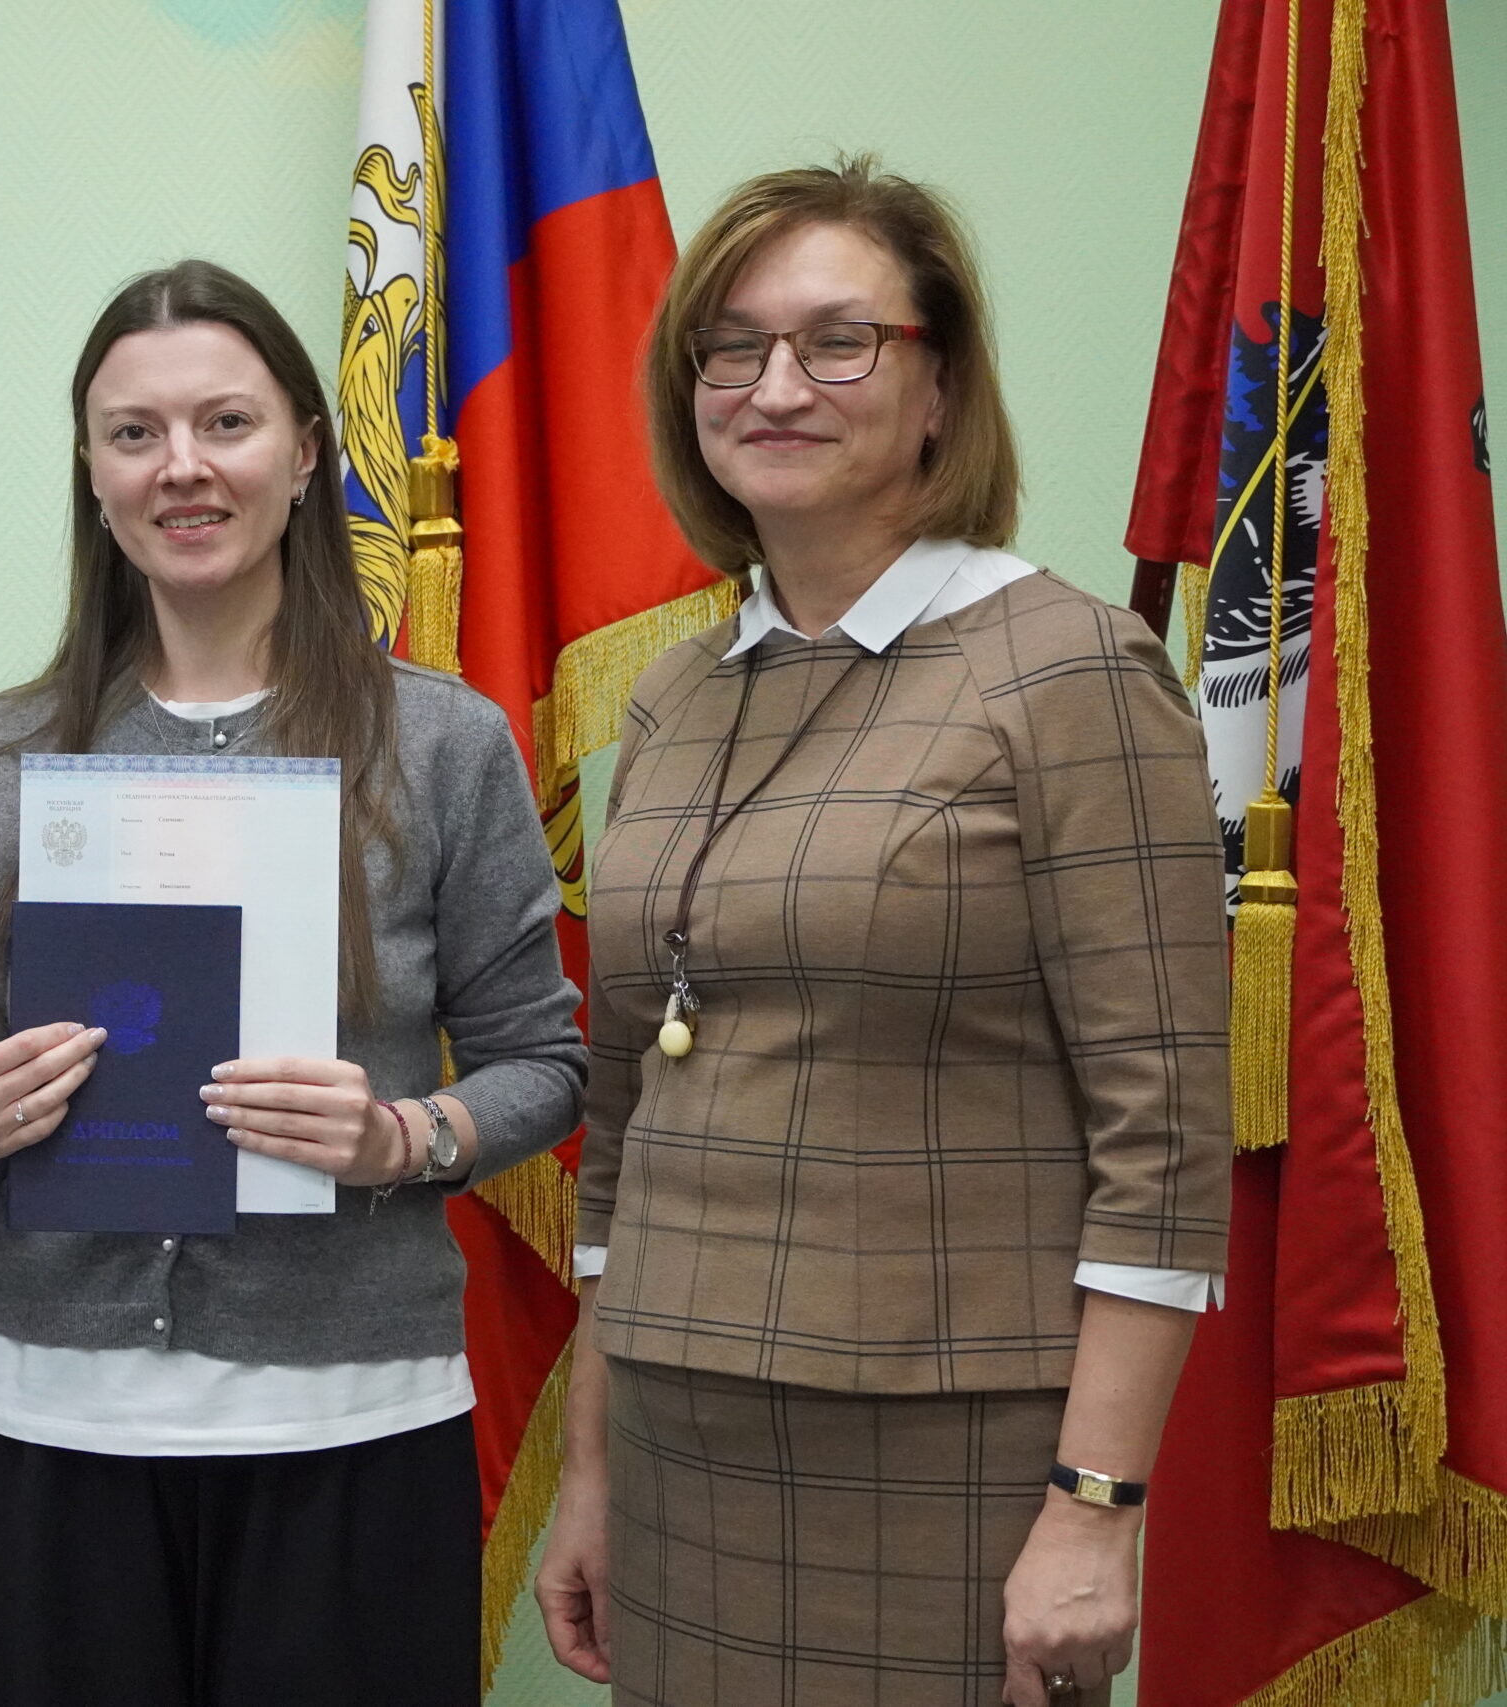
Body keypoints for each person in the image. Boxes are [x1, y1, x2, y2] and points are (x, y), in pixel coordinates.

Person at [532, 158, 1232, 1707]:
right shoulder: (678, 694)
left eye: (838, 341)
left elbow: (1166, 1137)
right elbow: (625, 1120)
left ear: (941, 389)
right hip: (674, 1442)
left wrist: (1098, 1508)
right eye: (732, 347)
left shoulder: (1068, 671)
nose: (776, 386)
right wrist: (591, 1467)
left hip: (952, 1463)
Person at [0, 259, 586, 1707]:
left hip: (353, 1421)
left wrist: (408, 1137)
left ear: (307, 451)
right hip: (56, 1423)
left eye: (226, 422)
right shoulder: (5, 759)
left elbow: (547, 1061)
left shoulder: (443, 743)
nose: (182, 467)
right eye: (134, 433)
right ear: (93, 474)